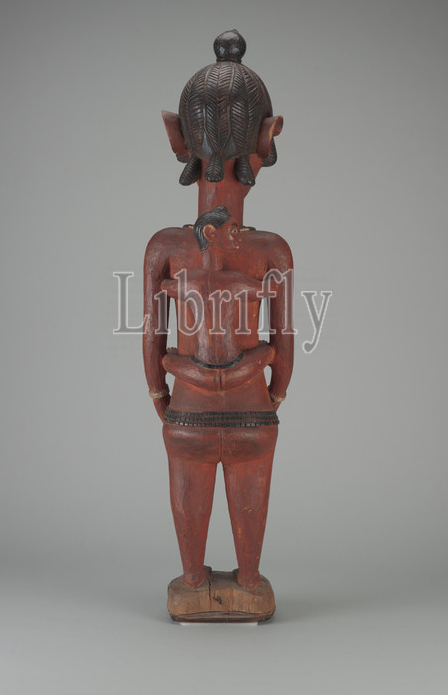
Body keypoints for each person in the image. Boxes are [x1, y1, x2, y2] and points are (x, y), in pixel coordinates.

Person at [143, 31, 293, 591]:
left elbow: (152, 340)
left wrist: (161, 392)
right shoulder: (272, 250)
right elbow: (284, 341)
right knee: (250, 571)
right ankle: (249, 582)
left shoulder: (165, 247)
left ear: (177, 138)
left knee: (191, 569)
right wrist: (273, 391)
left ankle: (192, 583)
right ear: (267, 139)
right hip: (255, 414)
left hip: (187, 413)